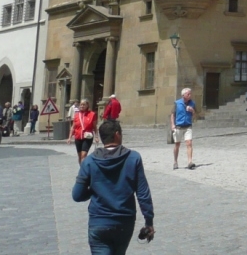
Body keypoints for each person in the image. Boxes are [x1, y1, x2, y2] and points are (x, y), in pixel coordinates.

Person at [72, 119, 154, 254]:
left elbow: (77, 195)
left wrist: (93, 189)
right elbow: (143, 193)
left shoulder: (89, 161)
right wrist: (149, 221)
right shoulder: (133, 158)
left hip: (99, 221)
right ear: (117, 134)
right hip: (124, 221)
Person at [171, 88, 196, 170]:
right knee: (177, 145)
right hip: (178, 126)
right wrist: (173, 125)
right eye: (188, 94)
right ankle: (175, 161)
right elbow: (173, 115)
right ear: (183, 95)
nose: (190, 95)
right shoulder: (177, 103)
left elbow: (196, 116)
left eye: (190, 94)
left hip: (188, 126)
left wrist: (192, 111)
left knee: (189, 143)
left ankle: (190, 162)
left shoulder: (192, 103)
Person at [69, 99, 98, 166]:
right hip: (78, 137)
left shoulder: (92, 114)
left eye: (84, 104)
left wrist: (96, 136)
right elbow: (73, 127)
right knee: (80, 156)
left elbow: (95, 127)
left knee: (83, 155)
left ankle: (84, 171)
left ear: (87, 105)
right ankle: (82, 169)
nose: (82, 106)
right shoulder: (76, 115)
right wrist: (69, 137)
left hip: (87, 137)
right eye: (81, 104)